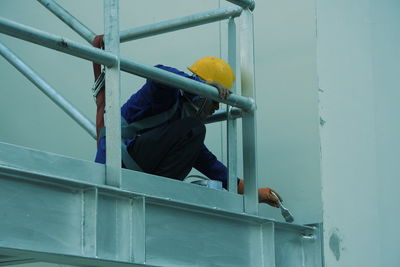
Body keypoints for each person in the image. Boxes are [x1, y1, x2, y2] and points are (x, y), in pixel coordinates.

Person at [94, 56, 282, 208]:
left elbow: (213, 167)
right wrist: (198, 86)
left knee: (195, 135)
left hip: (133, 165)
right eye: (215, 99)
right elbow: (158, 72)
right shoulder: (164, 97)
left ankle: (159, 192)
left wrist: (254, 193)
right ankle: (160, 192)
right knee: (195, 129)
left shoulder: (182, 128)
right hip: (118, 160)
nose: (216, 107)